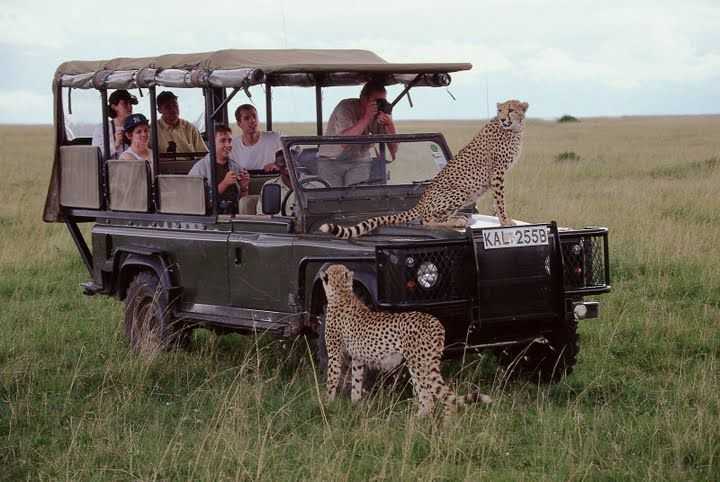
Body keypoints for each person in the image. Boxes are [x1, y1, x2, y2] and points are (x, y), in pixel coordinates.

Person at [317, 81, 398, 186]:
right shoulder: (345, 107)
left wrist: (389, 124)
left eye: (382, 101)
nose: (379, 104)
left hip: (359, 160)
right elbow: (344, 142)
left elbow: (394, 150)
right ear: (363, 98)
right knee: (333, 198)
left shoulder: (380, 111)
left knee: (357, 196)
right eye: (376, 101)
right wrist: (367, 117)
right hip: (332, 160)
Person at [189, 125, 250, 215]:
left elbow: (243, 205)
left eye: (230, 140)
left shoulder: (236, 168)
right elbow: (195, 202)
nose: (228, 145)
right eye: (222, 141)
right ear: (212, 144)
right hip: (210, 220)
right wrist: (224, 184)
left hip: (233, 217)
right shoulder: (199, 169)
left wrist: (244, 188)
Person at [230, 104, 281, 172]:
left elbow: (295, 154)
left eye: (254, 116)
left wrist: (278, 165)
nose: (252, 120)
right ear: (239, 124)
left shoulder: (275, 138)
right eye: (247, 118)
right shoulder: (233, 146)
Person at [91, 89, 137, 158]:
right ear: (114, 107)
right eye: (125, 103)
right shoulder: (102, 129)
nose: (130, 106)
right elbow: (96, 156)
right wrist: (116, 144)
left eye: (130, 103)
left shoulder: (136, 127)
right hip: (110, 168)